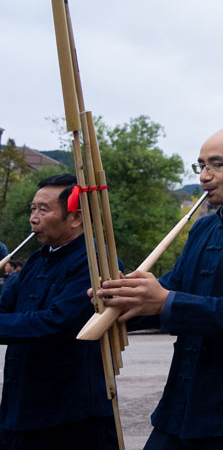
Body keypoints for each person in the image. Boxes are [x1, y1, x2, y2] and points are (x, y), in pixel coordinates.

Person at [97, 125, 223, 450]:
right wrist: (124, 300)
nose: (204, 175)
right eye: (201, 165)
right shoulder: (203, 228)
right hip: (181, 406)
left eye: (217, 165)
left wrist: (165, 301)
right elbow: (171, 288)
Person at [0, 173, 118, 449]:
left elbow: (56, 322)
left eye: (43, 210)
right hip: (20, 407)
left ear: (75, 218)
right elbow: (6, 306)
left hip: (69, 415)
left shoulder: (96, 262)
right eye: (32, 209)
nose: (33, 219)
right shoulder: (36, 260)